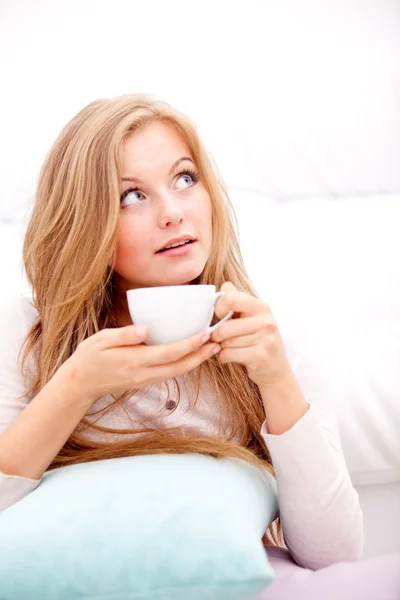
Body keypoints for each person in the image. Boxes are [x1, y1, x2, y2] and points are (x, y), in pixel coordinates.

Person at [0, 94, 363, 573]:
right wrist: (76, 385)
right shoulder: (28, 333)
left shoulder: (271, 340)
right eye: (132, 195)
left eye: (185, 178)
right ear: (85, 221)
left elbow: (334, 556)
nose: (173, 212)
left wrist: (276, 382)